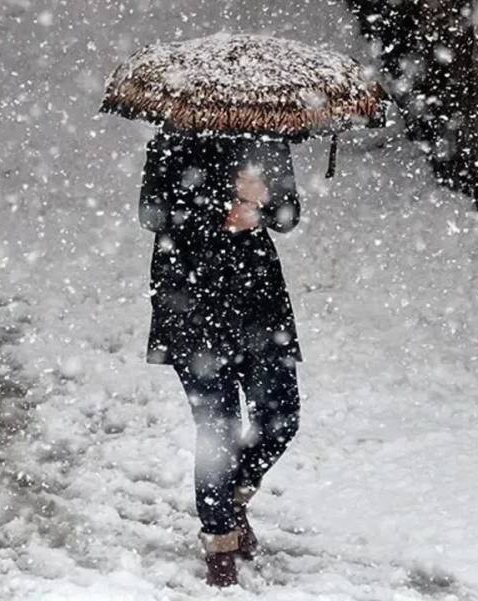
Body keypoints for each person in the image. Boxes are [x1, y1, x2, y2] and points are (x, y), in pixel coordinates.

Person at [137, 123, 303, 587]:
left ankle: (229, 500)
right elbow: (152, 214)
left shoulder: (267, 136)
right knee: (219, 429)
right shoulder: (172, 139)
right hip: (191, 300)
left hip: (258, 302)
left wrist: (263, 201)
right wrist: (222, 206)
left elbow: (289, 216)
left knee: (281, 416)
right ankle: (219, 544)